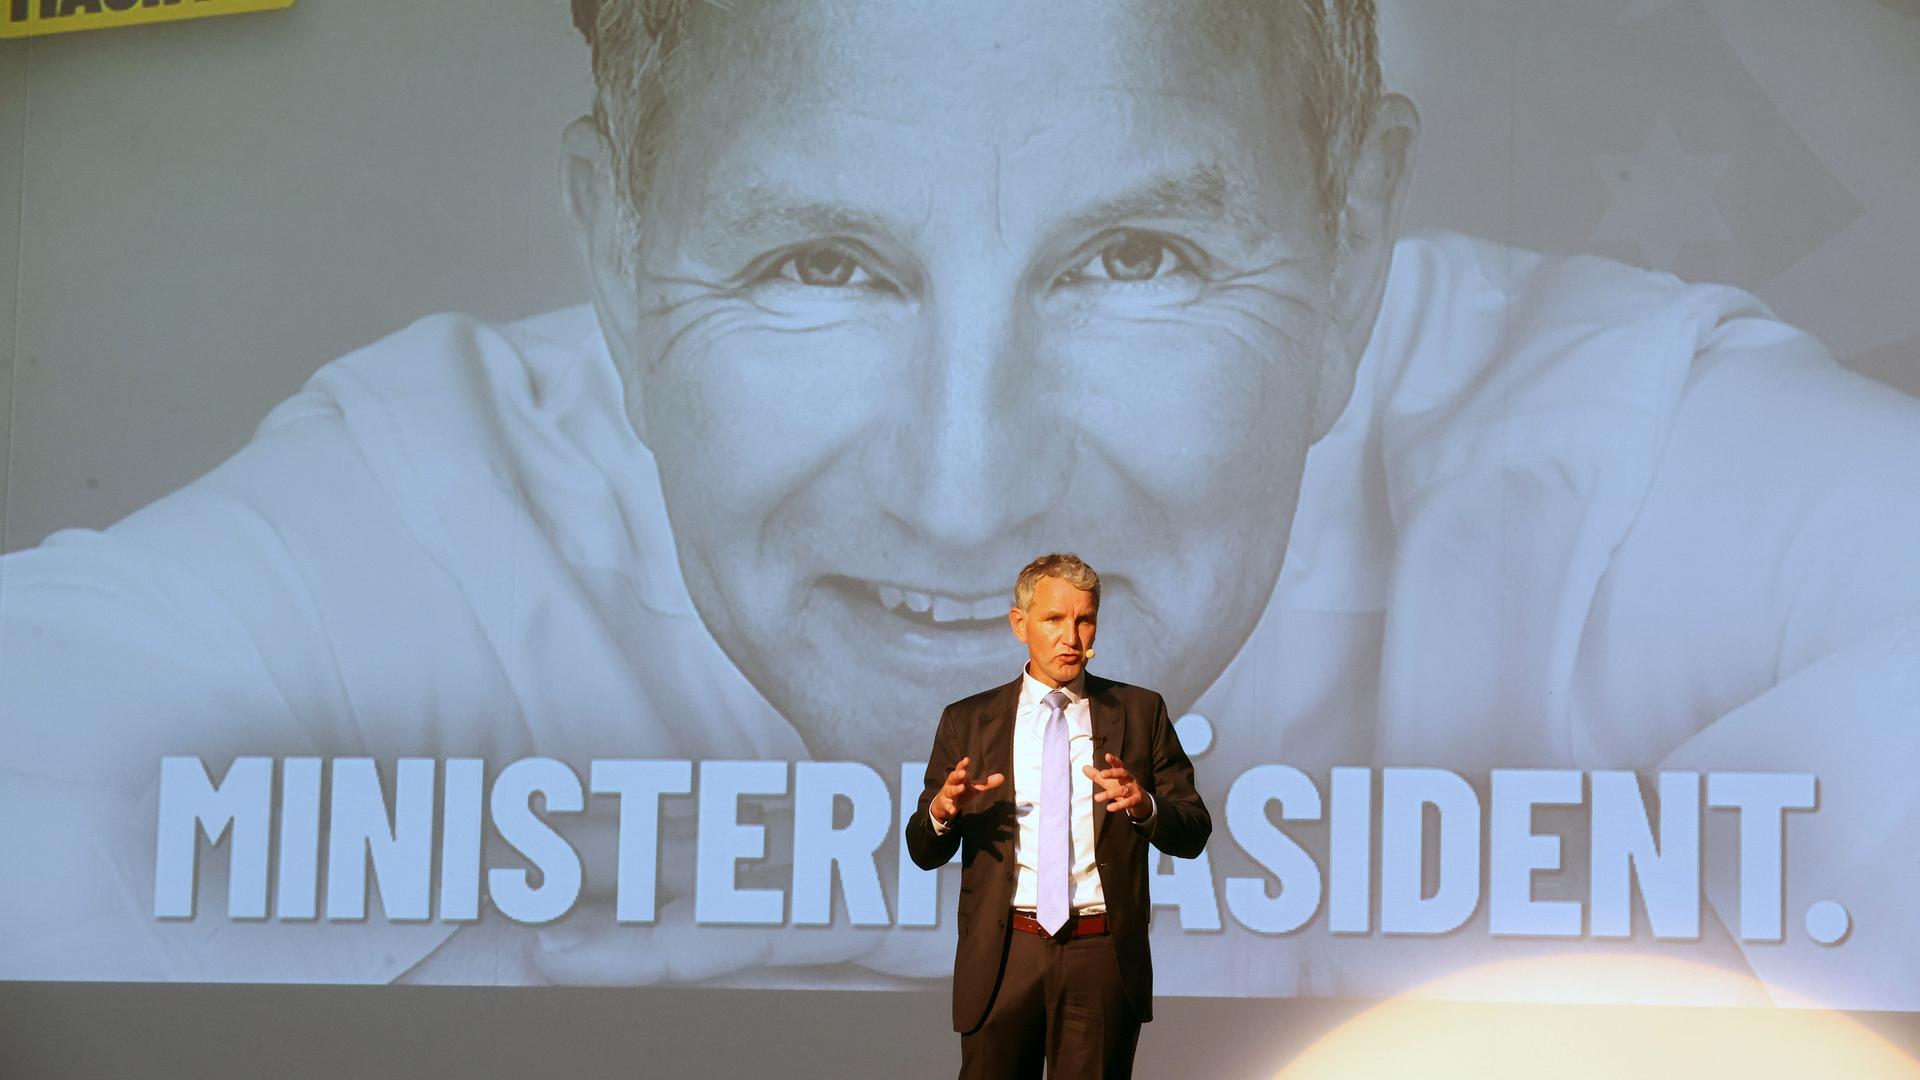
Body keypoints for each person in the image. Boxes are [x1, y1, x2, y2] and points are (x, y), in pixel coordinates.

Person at [0, 0, 1916, 1011]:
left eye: (1140, 259)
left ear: (1350, 245)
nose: (973, 486)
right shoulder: (440, 495)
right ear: (612, 246)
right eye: (819, 269)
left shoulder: (1608, 441)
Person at [905, 554, 1210, 1078]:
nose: (1072, 635)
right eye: (1053, 619)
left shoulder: (1139, 712)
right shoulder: (969, 721)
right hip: (1004, 955)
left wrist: (1145, 807)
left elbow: (1193, 831)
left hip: (1100, 953)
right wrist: (941, 812)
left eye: (1085, 619)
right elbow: (922, 849)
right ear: (1019, 624)